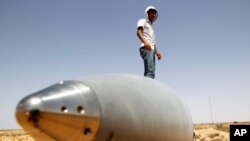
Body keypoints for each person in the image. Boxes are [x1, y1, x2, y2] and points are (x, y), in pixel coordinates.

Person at [137, 6, 162, 79]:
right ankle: (146, 89)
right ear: (147, 13)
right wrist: (145, 42)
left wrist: (157, 52)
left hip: (151, 48)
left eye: (154, 13)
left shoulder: (151, 27)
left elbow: (152, 41)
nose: (153, 15)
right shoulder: (142, 21)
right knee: (150, 71)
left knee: (152, 72)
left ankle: (147, 86)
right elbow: (138, 33)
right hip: (146, 47)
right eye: (151, 12)